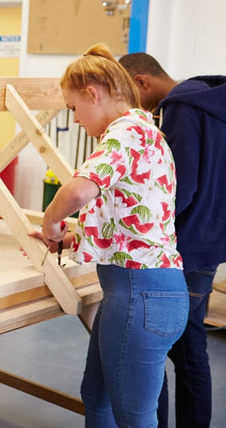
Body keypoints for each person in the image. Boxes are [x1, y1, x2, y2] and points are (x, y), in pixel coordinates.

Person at [37, 44, 188, 427]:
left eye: (73, 108)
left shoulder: (125, 132)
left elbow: (75, 191)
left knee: (133, 416)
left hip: (140, 293)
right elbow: (131, 220)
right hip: (138, 291)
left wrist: (51, 221)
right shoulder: (144, 131)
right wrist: (72, 238)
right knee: (97, 396)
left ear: (93, 93)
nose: (75, 119)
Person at [120, 52, 226, 428]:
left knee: (159, 346)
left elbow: (177, 189)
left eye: (130, 94)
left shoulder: (180, 108)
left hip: (183, 245)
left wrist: (135, 226)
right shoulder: (212, 100)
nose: (133, 106)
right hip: (212, 240)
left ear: (141, 81)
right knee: (190, 347)